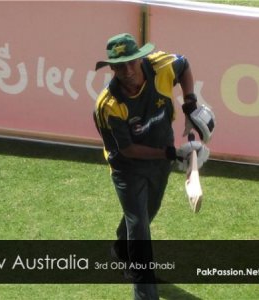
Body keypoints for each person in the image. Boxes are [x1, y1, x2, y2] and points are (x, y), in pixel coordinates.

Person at [93, 33, 214, 300]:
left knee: (148, 212)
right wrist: (171, 153)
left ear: (140, 58)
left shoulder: (160, 65)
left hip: (160, 153)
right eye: (120, 65)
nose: (127, 71)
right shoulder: (108, 105)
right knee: (140, 231)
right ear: (111, 68)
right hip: (128, 168)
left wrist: (190, 104)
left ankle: (120, 247)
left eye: (131, 63)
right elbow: (126, 150)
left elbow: (184, 65)